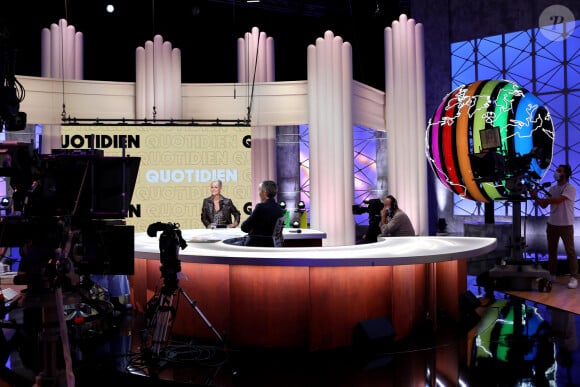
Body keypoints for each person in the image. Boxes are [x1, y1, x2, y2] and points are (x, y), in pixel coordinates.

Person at [531, 164, 578, 289]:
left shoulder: (570, 188)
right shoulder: (552, 189)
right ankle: (552, 274)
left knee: (570, 252)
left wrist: (545, 200)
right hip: (552, 224)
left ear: (566, 174)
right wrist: (535, 196)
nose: (556, 172)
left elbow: (558, 200)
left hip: (566, 225)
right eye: (557, 170)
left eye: (559, 171)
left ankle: (574, 277)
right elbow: (543, 205)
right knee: (552, 252)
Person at [241, 180, 285, 247]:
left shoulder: (261, 207)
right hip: (271, 244)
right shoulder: (279, 209)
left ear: (264, 192)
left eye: (259, 191)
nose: (258, 193)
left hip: (257, 245)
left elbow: (245, 227)